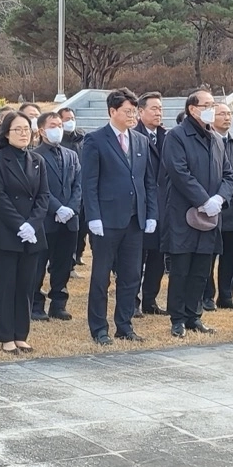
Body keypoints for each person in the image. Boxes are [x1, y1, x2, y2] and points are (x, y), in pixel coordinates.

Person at [82, 88, 158, 345]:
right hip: (106, 220)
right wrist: (93, 217)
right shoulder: (95, 140)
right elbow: (89, 182)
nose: (132, 116)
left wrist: (150, 214)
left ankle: (124, 325)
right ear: (112, 111)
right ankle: (99, 328)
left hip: (135, 220)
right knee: (101, 276)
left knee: (131, 276)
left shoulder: (140, 141)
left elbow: (148, 181)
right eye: (127, 111)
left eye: (134, 111)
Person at [161, 90, 233, 338]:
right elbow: (179, 172)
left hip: (211, 215)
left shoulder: (215, 138)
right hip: (185, 213)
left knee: (202, 269)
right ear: (193, 109)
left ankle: (194, 316)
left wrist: (219, 199)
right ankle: (178, 319)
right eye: (208, 104)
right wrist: (203, 200)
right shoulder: (177, 136)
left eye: (213, 104)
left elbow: (229, 175)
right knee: (181, 268)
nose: (212, 108)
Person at [0, 111, 50, 354]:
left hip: (32, 233)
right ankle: (5, 336)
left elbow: (43, 196)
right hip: (5, 232)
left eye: (26, 129)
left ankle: (21, 334)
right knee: (6, 285)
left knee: (25, 285)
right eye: (17, 129)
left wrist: (32, 224)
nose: (23, 133)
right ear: (6, 133)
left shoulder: (37, 160)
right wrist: (19, 224)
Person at [33, 112, 81, 321]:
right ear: (42, 130)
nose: (58, 129)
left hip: (69, 220)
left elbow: (78, 185)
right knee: (38, 264)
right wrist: (57, 208)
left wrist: (71, 208)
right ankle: (35, 303)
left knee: (63, 263)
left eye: (60, 125)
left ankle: (58, 303)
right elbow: (38, 187)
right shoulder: (35, 156)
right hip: (45, 219)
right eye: (53, 125)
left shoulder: (71, 155)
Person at [203, 103, 233, 311]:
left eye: (229, 114)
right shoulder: (206, 141)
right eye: (221, 113)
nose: (226, 117)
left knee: (230, 256)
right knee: (209, 256)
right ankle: (207, 296)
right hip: (212, 209)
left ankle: (227, 296)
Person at [133, 92, 168, 316]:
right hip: (139, 204)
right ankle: (132, 301)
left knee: (158, 257)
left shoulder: (167, 136)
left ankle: (150, 300)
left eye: (160, 109)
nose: (158, 112)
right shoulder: (133, 136)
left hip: (164, 205)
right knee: (136, 257)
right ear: (140, 111)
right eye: (153, 108)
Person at [59, 107, 88, 272]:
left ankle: (79, 253)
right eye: (66, 118)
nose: (70, 121)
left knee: (83, 226)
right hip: (66, 189)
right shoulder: (58, 140)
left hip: (83, 188)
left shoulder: (82, 137)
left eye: (72, 118)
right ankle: (68, 262)